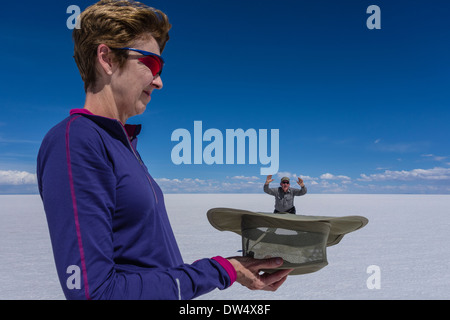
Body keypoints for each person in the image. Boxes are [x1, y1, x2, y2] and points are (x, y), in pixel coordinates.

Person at [36, 0, 291, 300]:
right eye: (151, 64)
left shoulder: (123, 147)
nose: (159, 81)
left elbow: (147, 267)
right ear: (106, 58)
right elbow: (94, 294)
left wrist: (232, 269)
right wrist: (220, 270)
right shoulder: (77, 141)